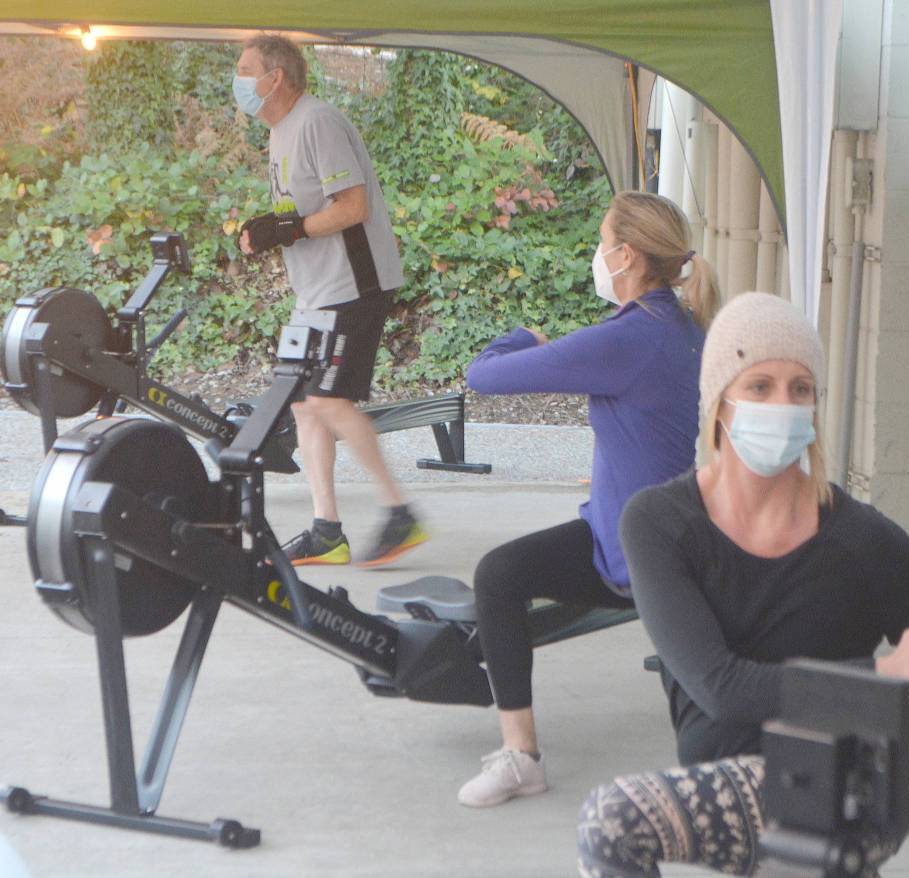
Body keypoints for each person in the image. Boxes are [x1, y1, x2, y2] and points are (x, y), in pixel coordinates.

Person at [576, 292, 909, 877]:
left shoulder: (865, 539)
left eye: (801, 388)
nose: (784, 403)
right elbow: (721, 688)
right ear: (720, 403)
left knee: (613, 820)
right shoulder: (659, 523)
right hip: (736, 782)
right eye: (760, 386)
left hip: (856, 781)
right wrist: (890, 672)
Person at [456, 191, 720, 808]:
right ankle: (521, 758)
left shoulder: (631, 339)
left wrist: (522, 334)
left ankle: (522, 758)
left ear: (626, 255)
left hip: (639, 558)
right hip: (646, 536)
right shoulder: (677, 325)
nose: (597, 255)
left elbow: (484, 376)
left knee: (499, 578)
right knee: (502, 573)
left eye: (602, 243)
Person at [233, 34, 426, 568]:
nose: (238, 81)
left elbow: (354, 206)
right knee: (303, 403)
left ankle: (399, 511)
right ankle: (327, 531)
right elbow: (303, 214)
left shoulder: (318, 121)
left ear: (276, 77)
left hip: (354, 284)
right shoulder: (280, 131)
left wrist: (290, 229)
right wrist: (269, 230)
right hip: (317, 289)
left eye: (246, 70)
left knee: (326, 401)